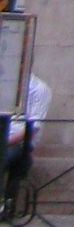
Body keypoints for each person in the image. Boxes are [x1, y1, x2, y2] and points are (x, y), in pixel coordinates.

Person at [2, 58, 48, 218]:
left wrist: (5, 142)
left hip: (19, 142)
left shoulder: (39, 89)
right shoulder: (5, 84)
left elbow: (33, 127)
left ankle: (5, 207)